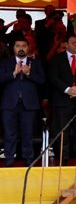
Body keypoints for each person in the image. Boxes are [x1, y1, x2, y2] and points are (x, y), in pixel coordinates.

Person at [0, 38, 45, 166]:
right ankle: (9, 161)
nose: (21, 48)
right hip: (9, 104)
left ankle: (28, 161)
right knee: (9, 134)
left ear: (28, 48)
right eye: (18, 46)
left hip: (29, 104)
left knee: (28, 133)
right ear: (13, 48)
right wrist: (13, 73)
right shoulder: (5, 63)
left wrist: (29, 73)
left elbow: (42, 80)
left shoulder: (35, 63)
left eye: (24, 46)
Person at [48, 34, 76, 163]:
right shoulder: (57, 59)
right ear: (66, 45)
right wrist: (68, 89)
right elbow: (53, 78)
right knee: (63, 132)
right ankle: (63, 160)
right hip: (63, 100)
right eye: (74, 43)